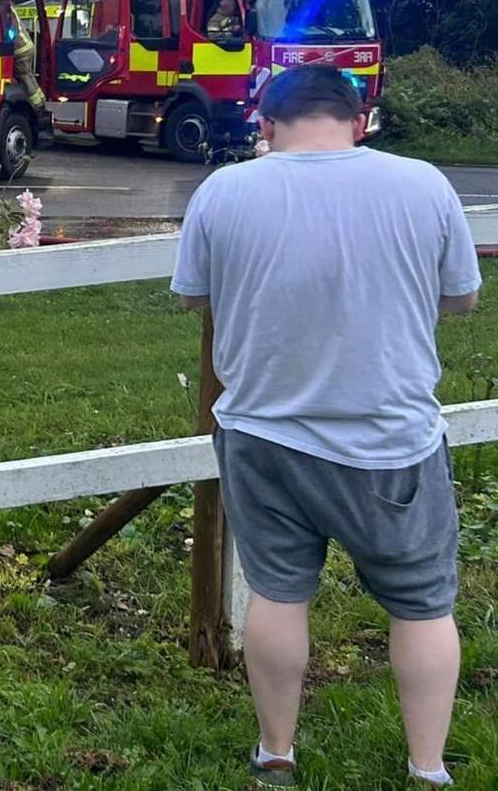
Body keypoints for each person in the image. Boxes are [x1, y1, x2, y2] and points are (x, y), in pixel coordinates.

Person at [171, 64, 482, 788]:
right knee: (423, 604)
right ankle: (427, 767)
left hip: (265, 435)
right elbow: (462, 298)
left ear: (265, 125)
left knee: (279, 595)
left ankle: (276, 753)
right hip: (391, 439)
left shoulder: (225, 191)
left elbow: (194, 297)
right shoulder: (423, 184)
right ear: (360, 119)